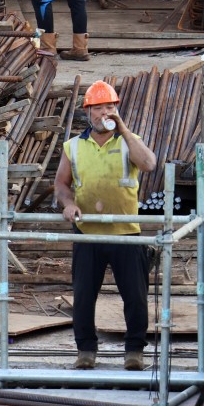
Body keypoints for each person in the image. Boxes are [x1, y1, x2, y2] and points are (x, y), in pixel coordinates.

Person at [54, 80, 157, 371]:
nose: (104, 113)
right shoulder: (74, 146)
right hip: (88, 234)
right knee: (84, 295)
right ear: (88, 112)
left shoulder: (129, 139)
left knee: (135, 296)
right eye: (98, 108)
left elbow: (149, 164)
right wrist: (69, 204)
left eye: (110, 107)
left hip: (126, 233)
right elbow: (61, 184)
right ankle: (86, 351)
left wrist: (122, 129)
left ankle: (134, 351)